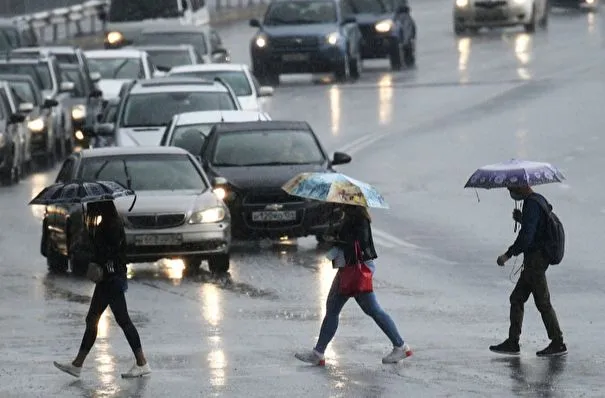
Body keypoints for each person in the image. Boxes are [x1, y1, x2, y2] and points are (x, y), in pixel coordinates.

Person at [295, 204, 412, 365]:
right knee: (362, 309)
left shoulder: (359, 219)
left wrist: (338, 240)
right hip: (350, 268)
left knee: (340, 308)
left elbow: (359, 244)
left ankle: (318, 353)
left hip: (354, 270)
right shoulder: (350, 217)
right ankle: (400, 346)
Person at [53, 200, 152, 378]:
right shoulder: (109, 223)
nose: (90, 209)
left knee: (119, 320)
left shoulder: (110, 226)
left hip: (111, 279)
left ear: (101, 207)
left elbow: (107, 253)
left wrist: (90, 242)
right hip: (110, 279)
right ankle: (78, 364)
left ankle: (142, 362)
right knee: (96, 319)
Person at [490, 186, 566, 357]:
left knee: (542, 302)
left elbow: (527, 237)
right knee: (517, 298)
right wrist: (522, 218)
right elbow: (536, 227)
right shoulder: (538, 200)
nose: (510, 191)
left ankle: (558, 342)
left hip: (536, 261)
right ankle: (513, 342)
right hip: (536, 259)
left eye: (511, 187)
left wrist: (508, 254)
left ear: (520, 187)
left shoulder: (531, 204)